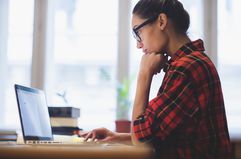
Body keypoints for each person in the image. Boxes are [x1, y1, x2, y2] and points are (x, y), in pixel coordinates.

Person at [80, 0, 232, 158]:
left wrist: (144, 74)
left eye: (137, 32)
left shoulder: (186, 68)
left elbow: (141, 142)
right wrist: (117, 137)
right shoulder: (192, 62)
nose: (139, 45)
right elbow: (165, 137)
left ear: (161, 21)